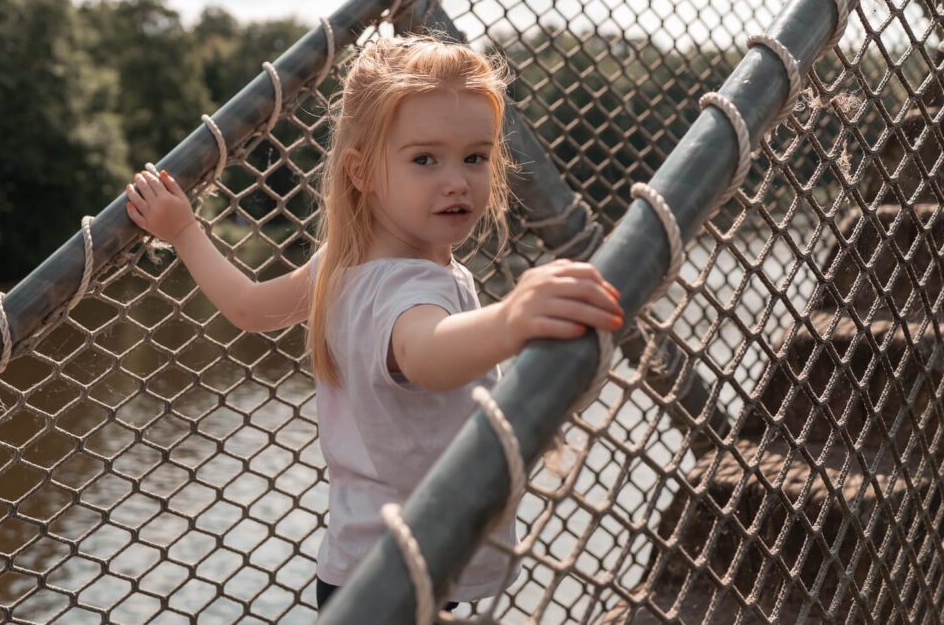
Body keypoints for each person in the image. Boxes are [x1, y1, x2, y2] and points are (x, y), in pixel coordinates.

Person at [125, 34, 623, 610]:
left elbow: (247, 308)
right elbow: (423, 352)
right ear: (361, 171)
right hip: (405, 574)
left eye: (475, 156)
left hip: (364, 562)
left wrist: (185, 233)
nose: (457, 180)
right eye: (424, 159)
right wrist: (511, 319)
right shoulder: (406, 286)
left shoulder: (342, 260)